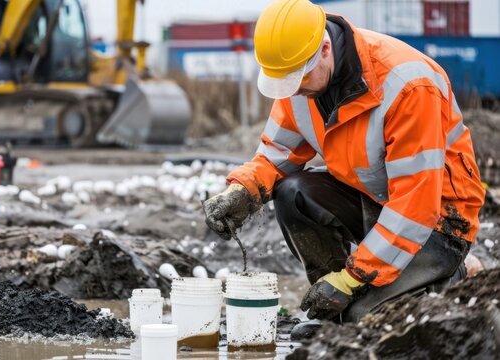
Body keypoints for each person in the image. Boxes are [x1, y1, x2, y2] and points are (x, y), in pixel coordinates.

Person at [203, 0, 485, 322]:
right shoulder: (300, 81)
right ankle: (333, 309)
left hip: (438, 220)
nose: (294, 91)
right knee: (292, 192)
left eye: (299, 79)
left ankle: (451, 275)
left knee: (363, 318)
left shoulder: (407, 85)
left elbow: (415, 206)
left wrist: (351, 278)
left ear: (324, 50)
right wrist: (242, 191)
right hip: (376, 200)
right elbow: (278, 153)